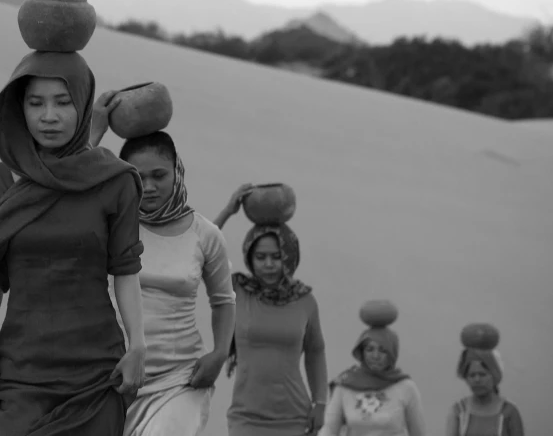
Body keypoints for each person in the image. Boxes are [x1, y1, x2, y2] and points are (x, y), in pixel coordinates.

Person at [0, 51, 147, 436]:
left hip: (96, 371)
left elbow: (126, 271)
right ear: (18, 107)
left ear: (84, 106)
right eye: (35, 103)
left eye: (63, 102)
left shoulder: (114, 180)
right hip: (22, 370)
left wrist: (138, 345)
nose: (49, 116)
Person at [91, 113, 237, 436]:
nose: (151, 186)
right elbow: (65, 193)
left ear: (177, 171)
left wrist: (220, 352)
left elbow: (224, 300)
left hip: (180, 379)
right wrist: (96, 130)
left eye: (159, 174)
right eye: (139, 177)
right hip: (113, 376)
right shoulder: (110, 226)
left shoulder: (206, 234)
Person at [215, 186, 329, 436]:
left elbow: (316, 352)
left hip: (295, 419)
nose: (268, 264)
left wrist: (320, 402)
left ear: (289, 257)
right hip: (245, 418)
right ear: (249, 258)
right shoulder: (237, 290)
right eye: (261, 257)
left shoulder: (305, 300)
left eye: (276, 257)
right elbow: (201, 252)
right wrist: (228, 211)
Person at [319, 301, 426, 436]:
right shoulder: (344, 386)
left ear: (392, 353)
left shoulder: (406, 387)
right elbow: (329, 429)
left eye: (383, 350)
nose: (375, 356)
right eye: (370, 349)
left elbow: (419, 433)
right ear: (361, 351)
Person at [446, 338, 524, 436]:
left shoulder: (509, 412)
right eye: (472, 375)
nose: (477, 380)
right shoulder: (459, 411)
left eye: (482, 374)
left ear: (494, 376)